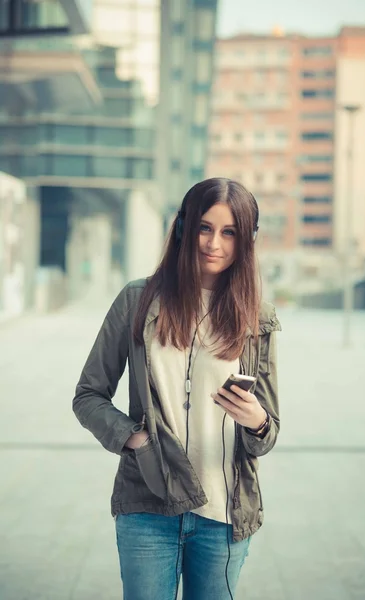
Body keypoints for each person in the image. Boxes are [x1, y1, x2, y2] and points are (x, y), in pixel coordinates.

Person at [72, 177, 281, 600]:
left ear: (248, 241)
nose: (214, 244)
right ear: (184, 226)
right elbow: (88, 395)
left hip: (224, 515)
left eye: (230, 233)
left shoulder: (257, 317)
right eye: (205, 227)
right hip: (147, 506)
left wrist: (256, 421)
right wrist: (135, 438)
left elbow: (268, 432)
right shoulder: (138, 300)